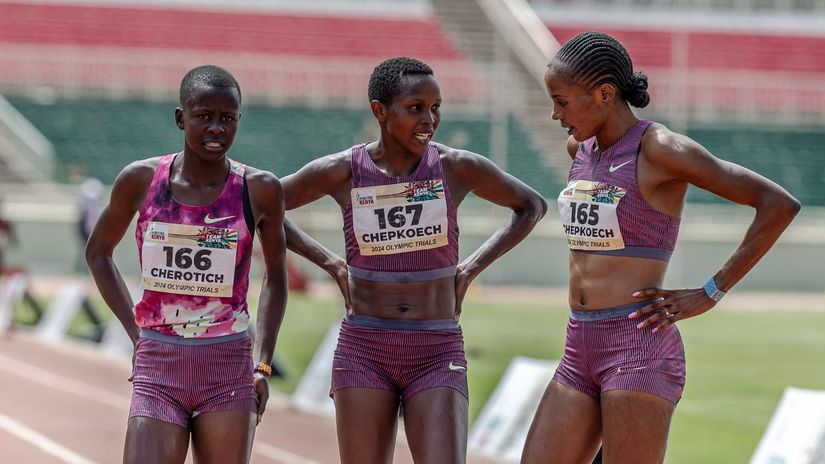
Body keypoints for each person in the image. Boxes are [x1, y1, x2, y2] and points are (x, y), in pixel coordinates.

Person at [521, 31, 801, 463]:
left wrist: (711, 291)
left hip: (637, 349)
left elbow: (777, 204)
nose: (554, 114)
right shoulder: (581, 148)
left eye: (561, 101)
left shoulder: (661, 149)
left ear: (604, 93)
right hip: (578, 345)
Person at [281, 57, 547, 463]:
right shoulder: (344, 171)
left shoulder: (456, 167)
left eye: (436, 107)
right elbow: (259, 207)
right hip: (364, 347)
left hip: (436, 347)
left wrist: (471, 267)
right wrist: (330, 262)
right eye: (416, 108)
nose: (429, 119)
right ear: (380, 111)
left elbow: (531, 206)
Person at [85, 65, 287, 464]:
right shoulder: (141, 180)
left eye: (227, 118)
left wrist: (263, 364)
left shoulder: (259, 189)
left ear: (239, 121)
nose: (216, 128)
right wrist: (134, 331)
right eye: (204, 116)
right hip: (158, 362)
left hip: (228, 366)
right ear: (181, 118)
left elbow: (277, 279)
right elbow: (98, 253)